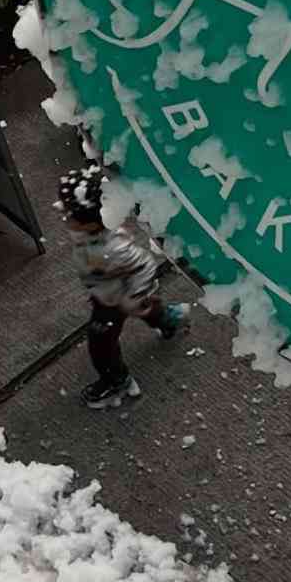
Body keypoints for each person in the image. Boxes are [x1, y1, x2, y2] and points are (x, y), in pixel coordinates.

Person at [56, 165, 190, 409]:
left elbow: (145, 265)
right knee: (146, 309)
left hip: (115, 299)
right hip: (107, 289)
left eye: (68, 213)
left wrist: (133, 298)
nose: (63, 216)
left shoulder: (112, 248)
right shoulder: (90, 234)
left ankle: (116, 380)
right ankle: (169, 319)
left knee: (101, 344)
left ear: (86, 222)